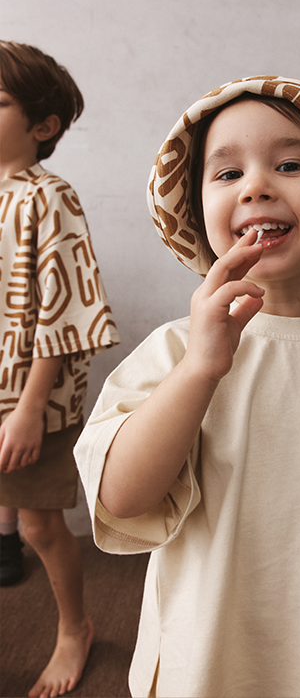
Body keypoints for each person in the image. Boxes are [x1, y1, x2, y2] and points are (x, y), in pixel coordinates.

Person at [75, 76, 300, 698]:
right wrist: (200, 370)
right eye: (227, 174)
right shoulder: (174, 350)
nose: (257, 186)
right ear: (197, 215)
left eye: (289, 164)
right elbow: (121, 497)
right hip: (205, 662)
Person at [0, 41, 120, 697]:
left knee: (43, 523)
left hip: (29, 399)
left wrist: (28, 408)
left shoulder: (51, 198)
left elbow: (68, 306)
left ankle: (75, 627)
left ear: (43, 126)